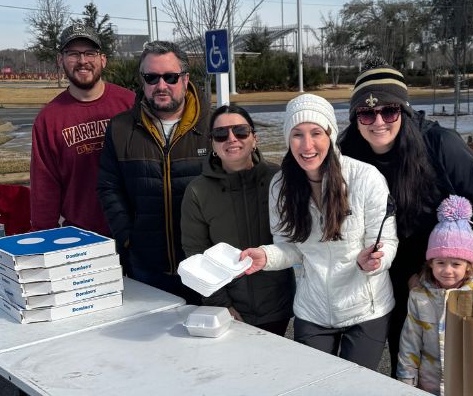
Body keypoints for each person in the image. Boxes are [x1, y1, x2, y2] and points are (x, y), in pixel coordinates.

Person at [337, 58, 473, 376]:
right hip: (391, 279)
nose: (378, 121)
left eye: (389, 110)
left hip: (453, 277)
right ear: (355, 118)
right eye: (366, 112)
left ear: (404, 111)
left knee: (468, 369)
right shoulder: (348, 152)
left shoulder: (441, 146)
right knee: (408, 365)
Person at [241, 94, 397, 369]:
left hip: (365, 308)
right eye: (297, 134)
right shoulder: (281, 185)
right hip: (312, 309)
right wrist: (266, 257)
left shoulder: (365, 177)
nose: (307, 144)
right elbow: (290, 247)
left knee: (354, 388)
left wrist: (375, 260)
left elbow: (386, 240)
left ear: (331, 135)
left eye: (316, 133)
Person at [97, 41, 209, 303]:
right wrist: (128, 238)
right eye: (151, 77)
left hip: (203, 267)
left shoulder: (214, 127)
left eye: (170, 77)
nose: (161, 86)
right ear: (142, 80)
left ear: (185, 78)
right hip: (146, 268)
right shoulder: (121, 128)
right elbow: (108, 187)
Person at [180, 105, 295, 335]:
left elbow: (298, 239)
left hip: (277, 306)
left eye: (240, 131)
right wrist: (221, 305)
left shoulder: (280, 180)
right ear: (212, 143)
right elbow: (196, 253)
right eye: (221, 134)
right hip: (228, 311)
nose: (231, 139)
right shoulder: (198, 191)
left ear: (254, 138)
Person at [30, 23, 134, 235]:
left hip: (137, 233)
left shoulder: (130, 104)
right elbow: (44, 191)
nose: (83, 61)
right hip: (82, 237)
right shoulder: (49, 120)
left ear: (102, 59)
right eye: (73, 54)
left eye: (90, 53)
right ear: (61, 60)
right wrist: (45, 239)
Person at [396, 195, 473, 395]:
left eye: (456, 264)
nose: (447, 270)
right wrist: (406, 379)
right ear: (430, 263)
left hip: (468, 383)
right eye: (440, 263)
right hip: (429, 383)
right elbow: (410, 340)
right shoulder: (419, 296)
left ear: (469, 266)